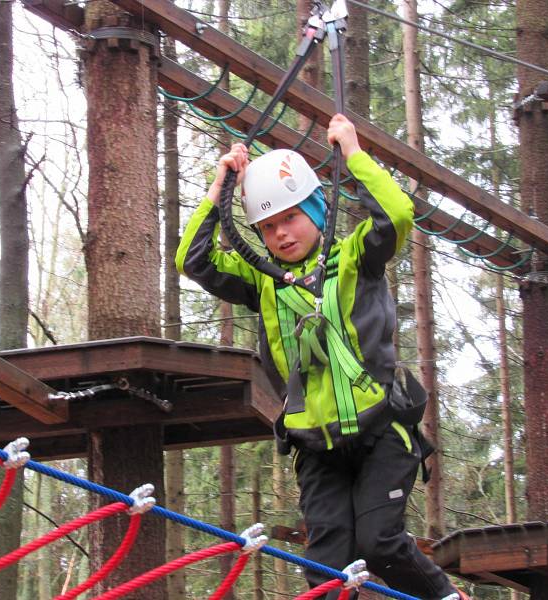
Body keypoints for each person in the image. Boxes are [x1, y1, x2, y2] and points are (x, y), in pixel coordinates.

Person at [176, 114, 468, 600]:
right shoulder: (263, 280)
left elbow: (396, 215)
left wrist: (353, 153)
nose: (281, 234)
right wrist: (220, 188)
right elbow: (193, 259)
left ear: (315, 209)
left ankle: (446, 598)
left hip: (381, 432)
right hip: (316, 449)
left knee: (380, 544)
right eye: (267, 227)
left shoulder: (356, 257)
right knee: (327, 570)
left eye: (290, 217)